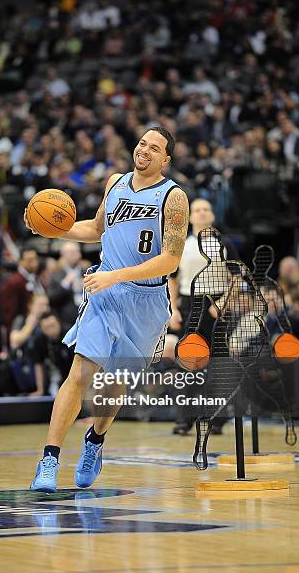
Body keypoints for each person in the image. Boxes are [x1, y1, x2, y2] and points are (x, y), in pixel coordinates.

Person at [24, 126, 189, 492]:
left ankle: (95, 442)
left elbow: (171, 260)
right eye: (143, 142)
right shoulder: (115, 182)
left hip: (145, 300)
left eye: (155, 147)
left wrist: (117, 276)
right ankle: (49, 459)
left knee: (114, 385)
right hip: (105, 294)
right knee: (81, 372)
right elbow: (97, 229)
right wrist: (53, 230)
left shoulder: (173, 197)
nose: (145, 150)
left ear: (166, 159)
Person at [169, 198, 239, 435]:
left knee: (218, 365)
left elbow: (238, 277)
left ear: (212, 215)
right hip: (190, 304)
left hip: (216, 305)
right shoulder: (180, 244)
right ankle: (184, 420)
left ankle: (217, 419)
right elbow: (173, 279)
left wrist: (222, 302)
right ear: (190, 217)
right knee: (188, 364)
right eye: (196, 210)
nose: (201, 213)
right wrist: (174, 309)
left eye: (206, 209)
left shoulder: (224, 242)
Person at [0, 247, 45, 337]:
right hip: (21, 328)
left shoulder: (37, 278)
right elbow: (9, 313)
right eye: (29, 260)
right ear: (21, 262)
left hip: (39, 325)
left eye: (35, 259)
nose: (34, 263)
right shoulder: (14, 283)